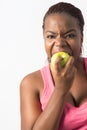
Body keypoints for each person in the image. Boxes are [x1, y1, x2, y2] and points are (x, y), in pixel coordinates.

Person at [20, 2, 87, 130]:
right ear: (44, 40)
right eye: (51, 36)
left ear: (81, 38)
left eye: (70, 35)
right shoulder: (31, 83)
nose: (60, 44)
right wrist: (61, 89)